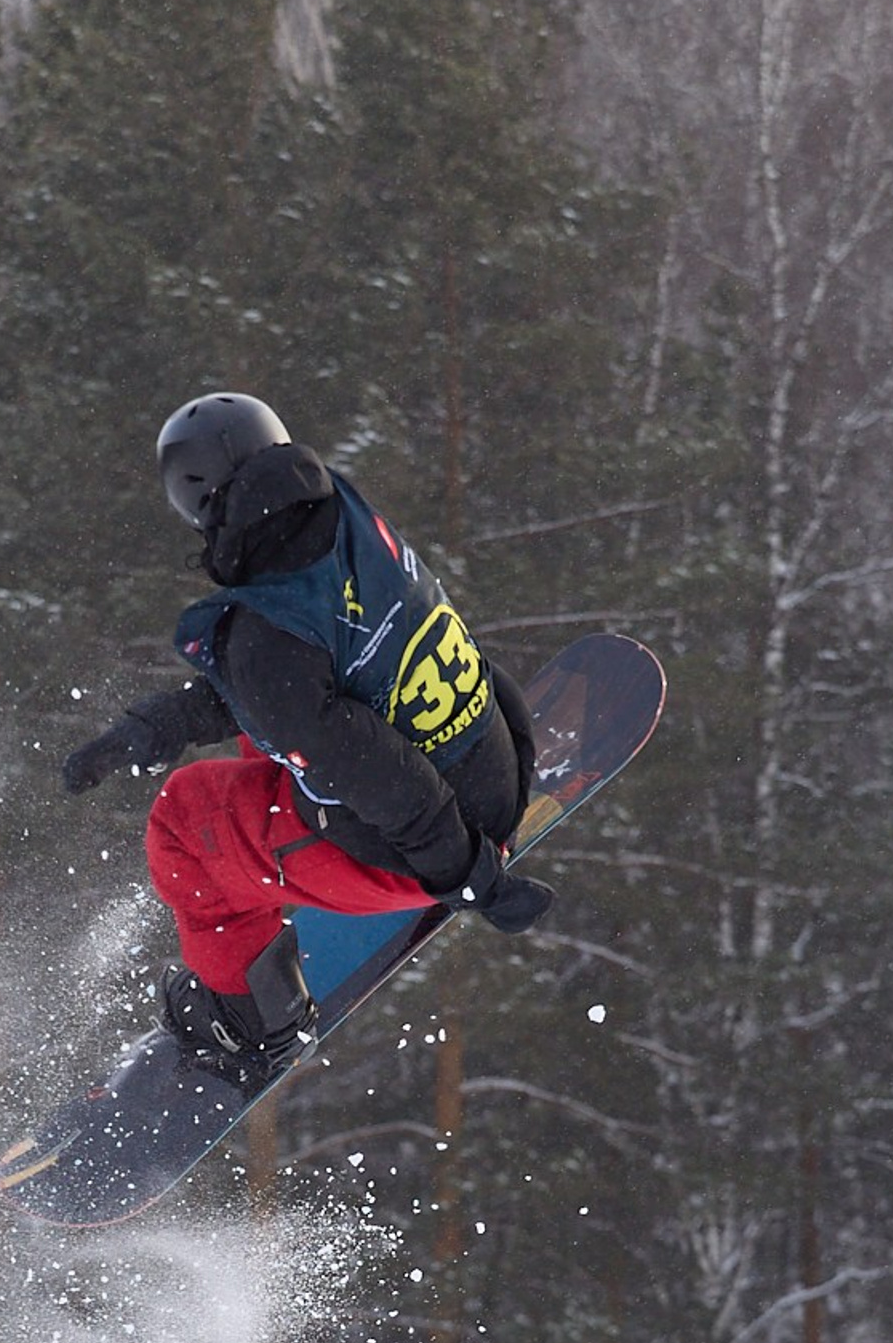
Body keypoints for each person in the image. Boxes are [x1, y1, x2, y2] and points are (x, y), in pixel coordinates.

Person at [62, 393, 553, 1090]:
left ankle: (250, 1024)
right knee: (280, 741)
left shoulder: (262, 633)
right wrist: (156, 726)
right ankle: (347, 868)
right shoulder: (340, 518)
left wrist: (468, 875)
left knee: (182, 817)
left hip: (416, 847)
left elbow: (377, 768)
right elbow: (296, 694)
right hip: (490, 760)